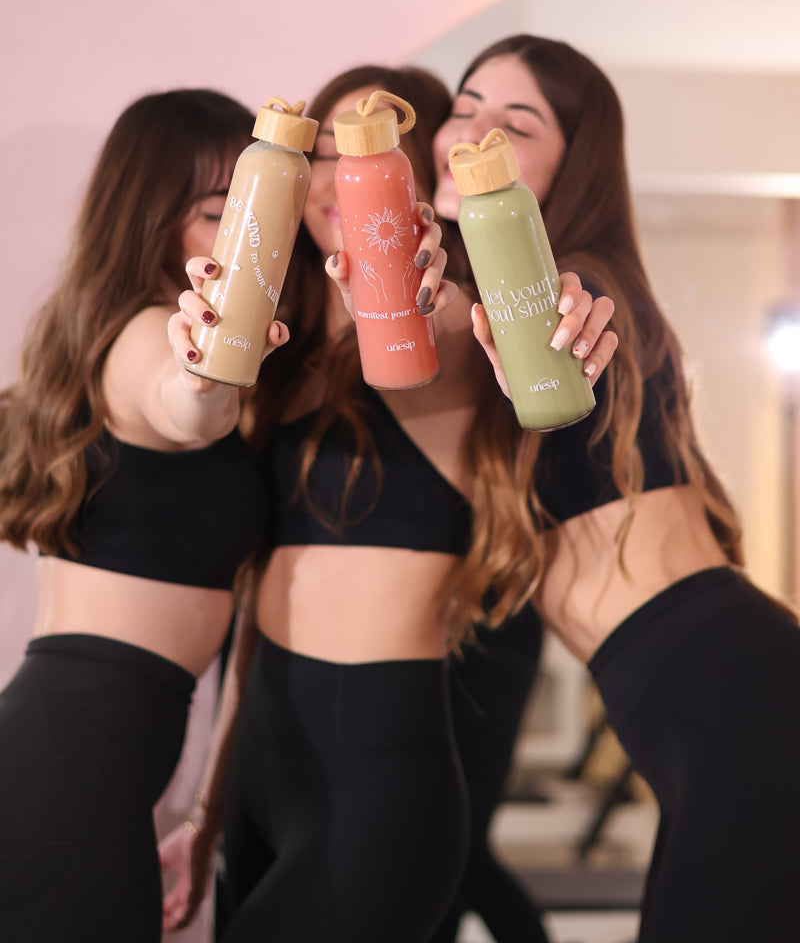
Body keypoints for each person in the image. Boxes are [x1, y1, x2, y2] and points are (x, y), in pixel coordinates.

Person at [159, 62, 616, 943]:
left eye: (373, 155)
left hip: (376, 766)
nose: (339, 175)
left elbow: (453, 312)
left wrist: (429, 275)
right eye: (325, 148)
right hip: (260, 752)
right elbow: (259, 603)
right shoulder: (277, 360)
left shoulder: (442, 327)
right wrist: (208, 811)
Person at [437, 35, 800, 943]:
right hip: (709, 702)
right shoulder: (481, 304)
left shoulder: (577, 289)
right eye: (464, 104)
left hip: (735, 700)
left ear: (573, 164)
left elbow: (567, 318)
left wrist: (565, 330)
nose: (472, 133)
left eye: (516, 125)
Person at [0, 89, 280, 943]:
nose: (243, 234)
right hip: (75, 756)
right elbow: (182, 403)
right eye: (212, 212)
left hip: (90, 751)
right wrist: (206, 376)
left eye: (253, 209)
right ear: (149, 215)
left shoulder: (109, 328)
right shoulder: (149, 334)